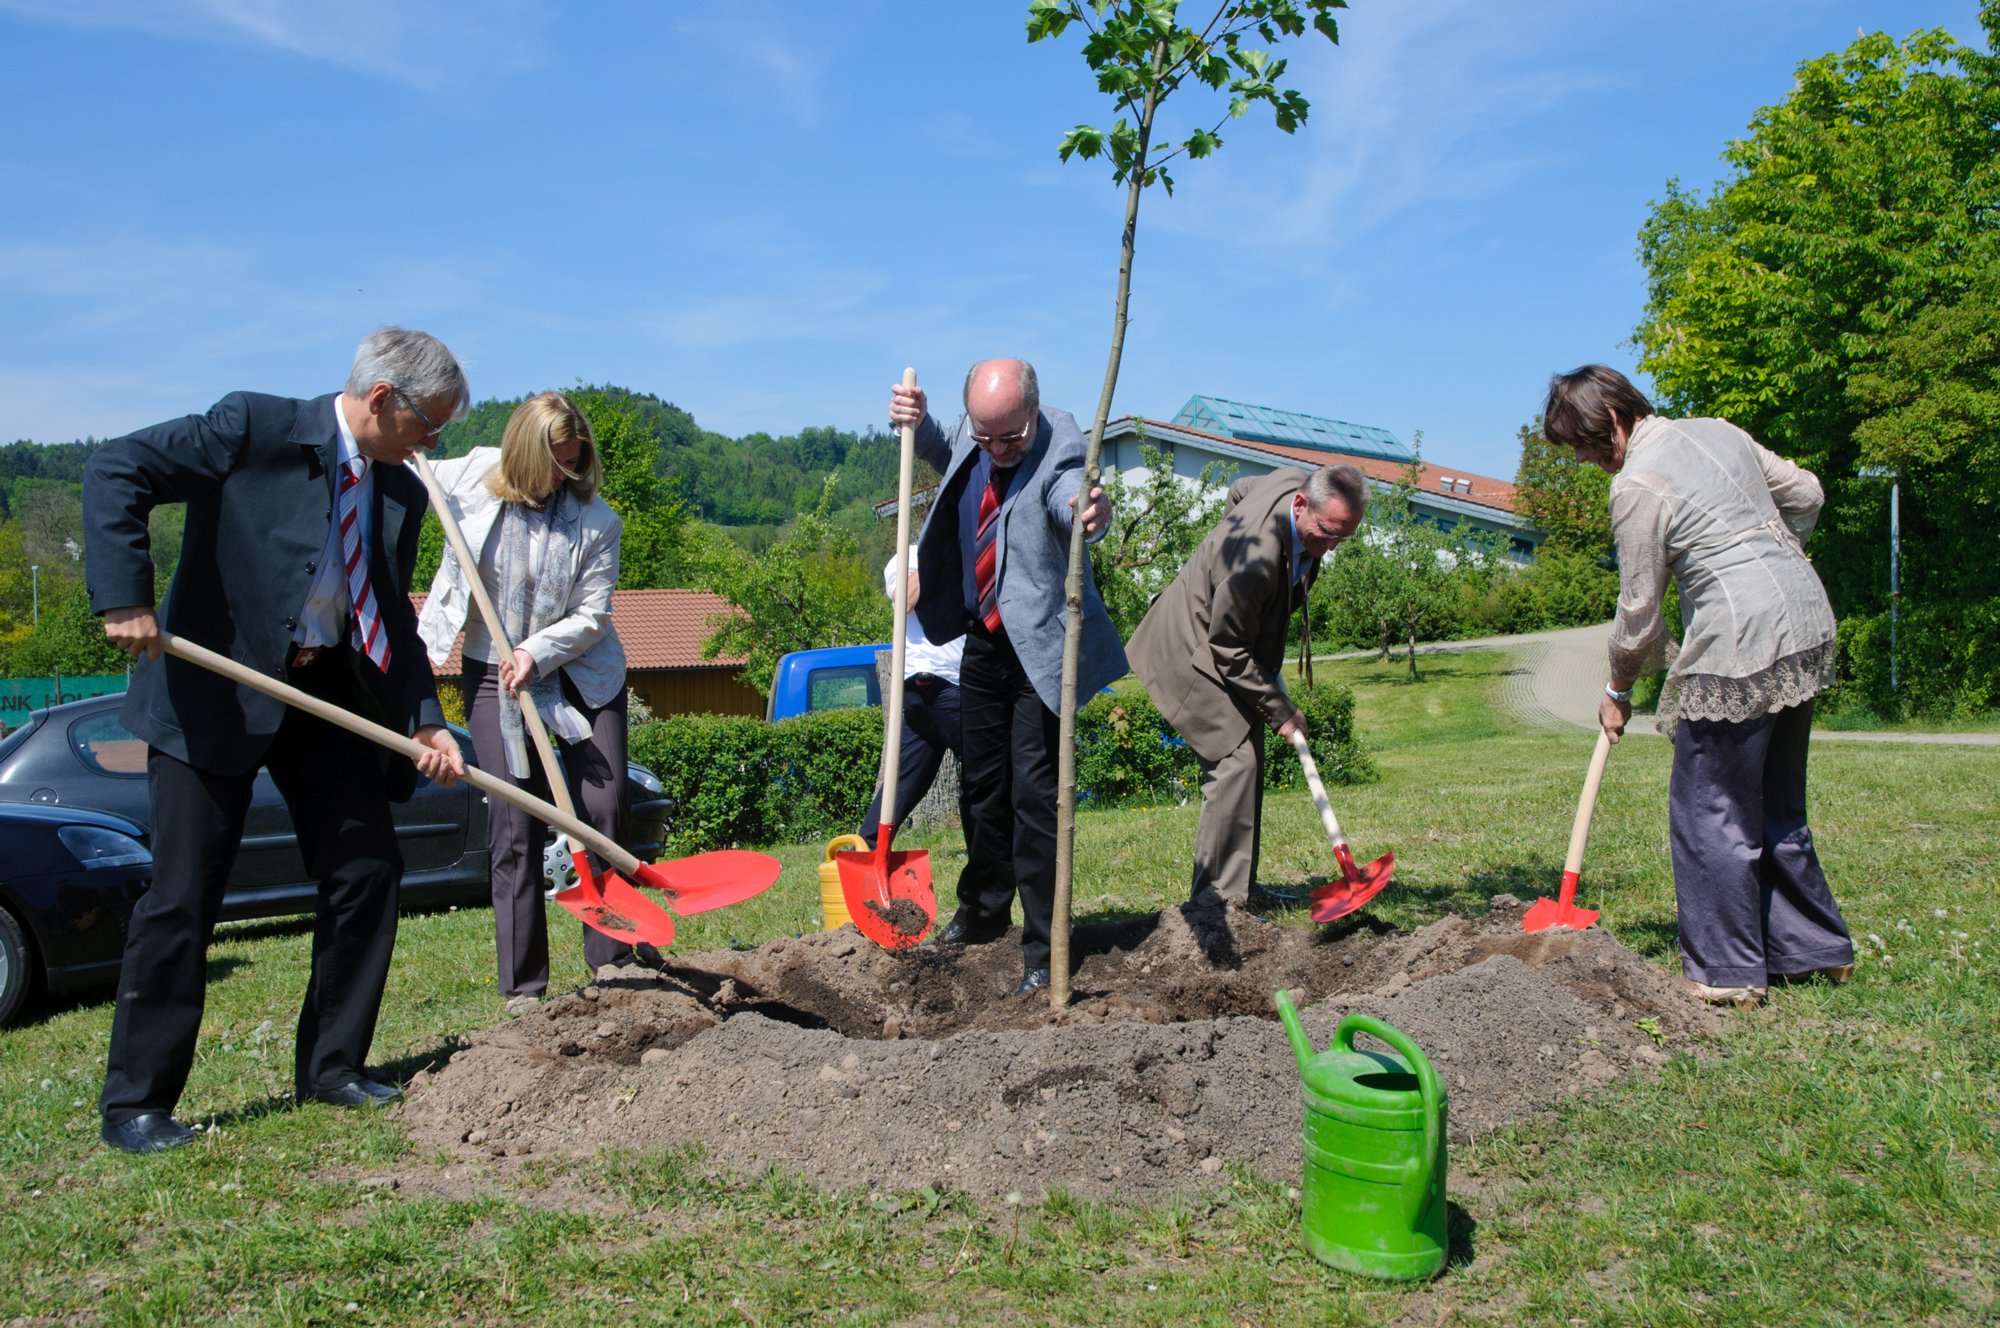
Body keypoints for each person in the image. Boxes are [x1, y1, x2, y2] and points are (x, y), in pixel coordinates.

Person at [84, 326, 469, 1154]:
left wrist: (425, 718)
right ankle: (137, 1106)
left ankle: (333, 1067)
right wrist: (124, 596)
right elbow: (120, 465)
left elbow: (388, 617)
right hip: (216, 690)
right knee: (186, 892)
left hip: (324, 694)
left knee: (367, 870)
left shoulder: (398, 491)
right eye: (427, 425)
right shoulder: (252, 429)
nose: (432, 444)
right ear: (381, 400)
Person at [1543, 364, 1853, 1007]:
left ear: (1613, 419)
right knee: (1775, 799)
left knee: (1708, 804)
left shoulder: (1636, 485)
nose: (1582, 458)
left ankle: (1725, 969)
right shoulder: (1715, 431)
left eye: (1582, 443)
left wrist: (1618, 687)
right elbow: (1809, 493)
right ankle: (1811, 949)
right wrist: (1768, 554)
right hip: (1803, 616)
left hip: (1742, 641)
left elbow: (1639, 611)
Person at [889, 359, 1124, 996]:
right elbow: (951, 453)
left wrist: (1086, 512)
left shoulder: (1060, 444)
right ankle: (985, 909)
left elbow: (1067, 494)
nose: (996, 450)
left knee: (1033, 797)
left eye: (1009, 439)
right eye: (984, 436)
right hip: (984, 644)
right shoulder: (983, 431)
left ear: (1034, 411)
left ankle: (1045, 945)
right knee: (981, 787)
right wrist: (920, 421)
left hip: (1042, 653)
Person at [418, 391, 634, 1010]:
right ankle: (524, 988)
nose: (563, 477)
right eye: (553, 464)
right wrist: (408, 454)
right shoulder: (470, 477)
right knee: (513, 822)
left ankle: (612, 960)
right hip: (492, 669)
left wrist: (538, 651)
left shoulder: (598, 523)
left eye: (573, 463)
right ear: (523, 454)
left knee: (606, 803)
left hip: (581, 673)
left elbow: (593, 615)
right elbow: (406, 461)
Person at [1128, 464, 1366, 907]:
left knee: (1248, 758)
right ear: (1301, 504)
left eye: (1342, 537)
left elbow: (1239, 491)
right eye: (1325, 533)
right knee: (1235, 762)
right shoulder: (1252, 565)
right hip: (1189, 645)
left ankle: (1239, 888)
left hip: (1223, 637)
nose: (1330, 547)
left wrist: (1229, 544)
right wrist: (1281, 712)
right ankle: (1218, 905)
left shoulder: (1289, 480)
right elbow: (1230, 648)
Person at [857, 547, 967, 850]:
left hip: (950, 686)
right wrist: (944, 555)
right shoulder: (911, 556)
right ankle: (865, 858)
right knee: (985, 768)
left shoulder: (969, 554)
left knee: (905, 783)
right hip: (936, 687)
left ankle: (866, 849)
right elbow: (905, 598)